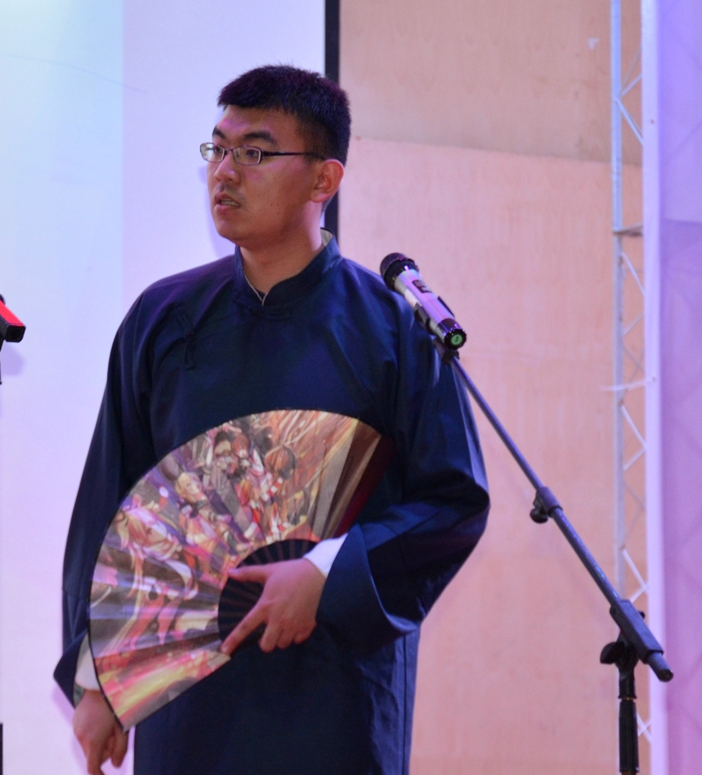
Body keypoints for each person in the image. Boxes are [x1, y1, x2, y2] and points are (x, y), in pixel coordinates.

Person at [56, 65, 490, 775]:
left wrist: (328, 572)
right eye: (217, 149)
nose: (224, 172)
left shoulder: (392, 330)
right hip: (185, 699)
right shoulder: (162, 319)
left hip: (337, 696)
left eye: (254, 153)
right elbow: (109, 506)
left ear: (324, 179)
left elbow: (452, 502)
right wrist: (96, 673)